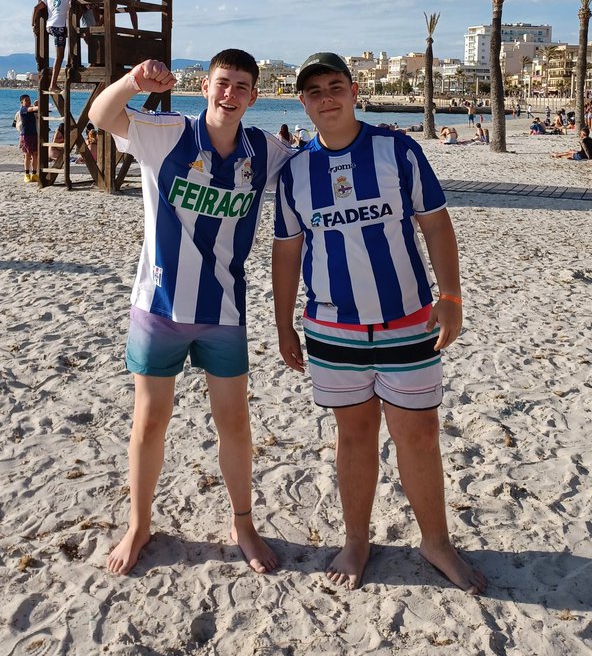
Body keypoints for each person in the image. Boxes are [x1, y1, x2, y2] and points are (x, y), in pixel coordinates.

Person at [272, 52, 486, 595]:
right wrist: (282, 325)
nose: (327, 97)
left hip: (408, 321)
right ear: (302, 102)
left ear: (354, 89)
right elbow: (286, 253)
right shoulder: (295, 171)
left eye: (335, 85)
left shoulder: (398, 150)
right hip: (332, 329)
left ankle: (435, 542)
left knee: (418, 435)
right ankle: (357, 541)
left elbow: (436, 225)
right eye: (315, 90)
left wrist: (452, 296)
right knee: (355, 436)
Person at [88, 50, 294, 577]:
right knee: (150, 421)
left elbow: (315, 166)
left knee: (235, 423)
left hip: (224, 310)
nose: (231, 94)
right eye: (223, 83)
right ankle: (139, 524)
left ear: (254, 95)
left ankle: (243, 523)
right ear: (206, 86)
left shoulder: (263, 151)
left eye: (242, 87)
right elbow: (101, 116)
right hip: (159, 306)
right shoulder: (169, 133)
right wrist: (133, 80)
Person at [32, 0, 74, 93]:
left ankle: (70, 62)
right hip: (59, 26)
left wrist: (33, 23)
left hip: (49, 26)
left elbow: (36, 7)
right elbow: (76, 7)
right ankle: (53, 84)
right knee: (59, 55)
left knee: (68, 37)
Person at [17, 94, 38, 182]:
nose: (28, 102)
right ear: (22, 103)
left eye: (29, 100)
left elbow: (34, 109)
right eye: (26, 101)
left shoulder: (31, 110)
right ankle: (26, 174)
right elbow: (33, 109)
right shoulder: (23, 110)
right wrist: (39, 106)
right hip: (26, 135)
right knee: (27, 155)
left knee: (35, 154)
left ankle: (34, 173)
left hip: (34, 134)